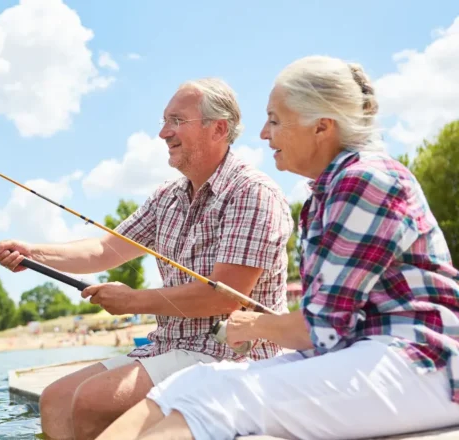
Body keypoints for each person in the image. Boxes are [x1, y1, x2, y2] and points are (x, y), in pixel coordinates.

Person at [95, 55, 459, 440]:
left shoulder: (363, 180)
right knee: (184, 386)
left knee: (215, 401)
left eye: (275, 120)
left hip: (425, 361)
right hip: (374, 353)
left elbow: (319, 327)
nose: (264, 135)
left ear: (322, 126)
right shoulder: (327, 191)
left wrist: (254, 325)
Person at [0, 78, 294, 440]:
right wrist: (33, 252)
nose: (164, 133)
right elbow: (104, 250)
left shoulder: (252, 192)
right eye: (164, 121)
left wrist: (132, 300)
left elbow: (224, 297)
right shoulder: (167, 195)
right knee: (55, 398)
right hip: (171, 346)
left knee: (93, 400)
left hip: (235, 356)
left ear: (218, 129)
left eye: (177, 120)